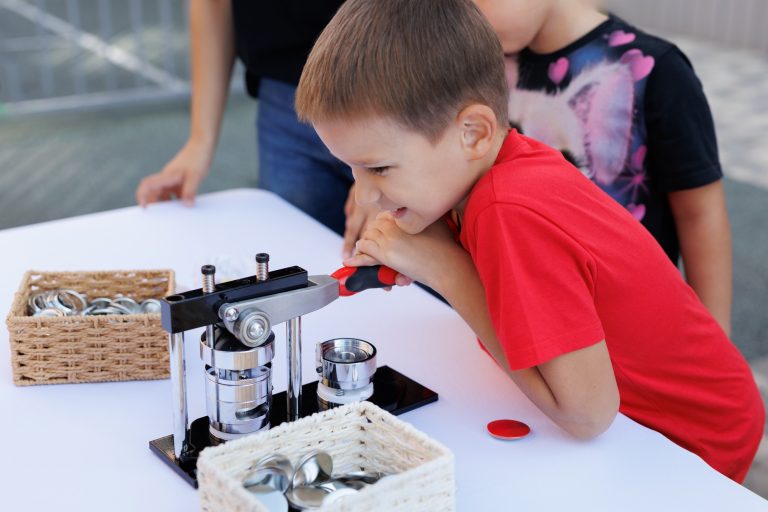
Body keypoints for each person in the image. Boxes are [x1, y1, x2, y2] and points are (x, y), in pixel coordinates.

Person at [294, 0, 763, 482]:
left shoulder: (508, 211)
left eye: (379, 168)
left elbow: (586, 414)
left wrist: (449, 272)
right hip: (677, 416)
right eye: (352, 170)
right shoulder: (495, 170)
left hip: (692, 441)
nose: (367, 194)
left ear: (473, 133)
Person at [473, 0, 733, 336]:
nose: (469, 12)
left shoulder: (656, 70)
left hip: (630, 330)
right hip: (524, 323)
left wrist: (716, 337)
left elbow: (699, 213)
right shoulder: (483, 65)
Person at [135, 0, 359, 236]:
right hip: (282, 100)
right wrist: (199, 141)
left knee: (386, 260)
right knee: (291, 255)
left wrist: (383, 163)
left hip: (386, 96)